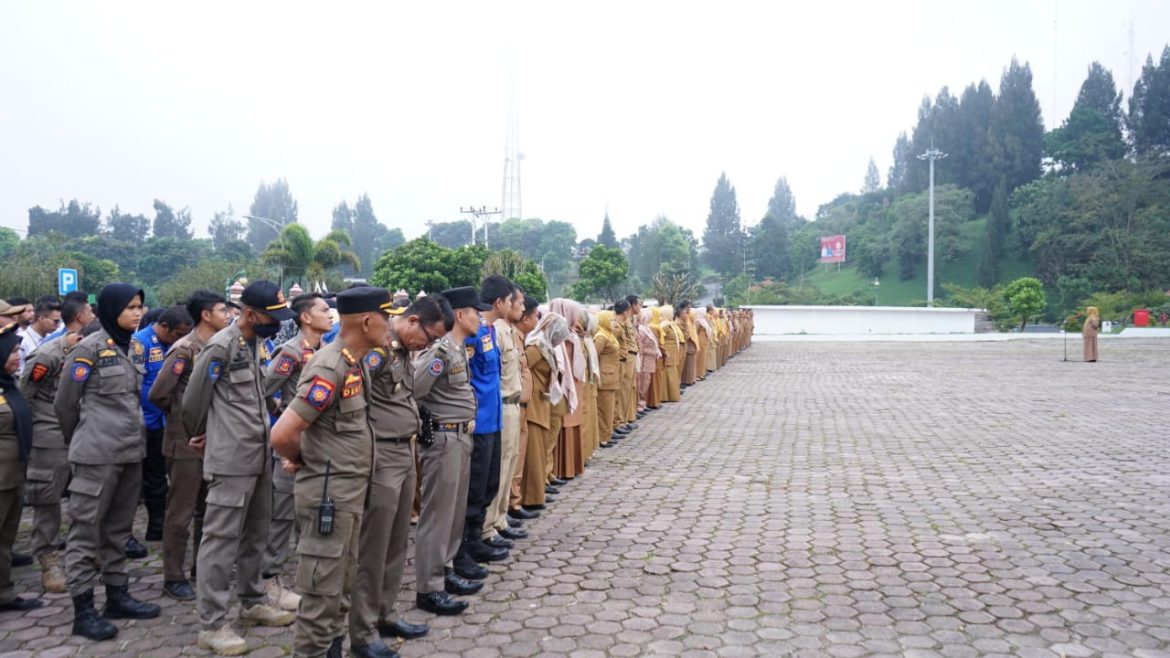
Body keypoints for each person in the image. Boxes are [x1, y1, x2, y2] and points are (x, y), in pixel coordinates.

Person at [270, 286, 394, 658]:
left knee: (340, 585)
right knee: (322, 593)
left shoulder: (353, 360)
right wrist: (303, 458)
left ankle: (332, 649)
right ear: (368, 321)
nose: (391, 326)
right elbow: (282, 434)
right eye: (386, 318)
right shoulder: (329, 366)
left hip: (347, 493)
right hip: (329, 495)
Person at [183, 281, 296, 655]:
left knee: (256, 533)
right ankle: (212, 623)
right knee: (220, 541)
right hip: (231, 458)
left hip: (258, 452)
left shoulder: (254, 343)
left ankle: (252, 600)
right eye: (271, 316)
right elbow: (194, 400)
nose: (276, 323)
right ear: (249, 313)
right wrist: (201, 434)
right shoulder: (222, 346)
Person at [54, 283, 158, 641]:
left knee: (118, 530)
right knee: (85, 532)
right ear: (112, 309)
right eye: (130, 307)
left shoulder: (134, 347)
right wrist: (81, 441)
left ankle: (117, 596)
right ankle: (83, 610)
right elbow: (64, 405)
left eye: (140, 306)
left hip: (130, 451)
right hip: (97, 455)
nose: (137, 313)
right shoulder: (88, 349)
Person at [349, 294, 450, 657]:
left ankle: (385, 613)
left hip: (404, 452)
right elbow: (355, 404)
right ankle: (362, 632)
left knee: (396, 542)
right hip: (381, 455)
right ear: (412, 321)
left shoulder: (404, 352)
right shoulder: (377, 352)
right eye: (430, 337)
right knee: (373, 547)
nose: (429, 345)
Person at [149, 290, 228, 603]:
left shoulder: (219, 345)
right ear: (206, 315)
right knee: (180, 512)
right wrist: (183, 416)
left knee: (207, 510)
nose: (228, 316)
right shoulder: (185, 349)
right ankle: (173, 576)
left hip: (212, 440)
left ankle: (201, 567)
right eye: (222, 311)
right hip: (184, 443)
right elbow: (159, 393)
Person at [412, 286, 487, 617]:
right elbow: (413, 392)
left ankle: (445, 570)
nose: (480, 318)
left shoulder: (457, 350)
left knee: (453, 513)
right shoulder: (440, 353)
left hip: (460, 438)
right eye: (476, 312)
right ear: (460, 314)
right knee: (437, 516)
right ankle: (429, 588)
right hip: (442, 440)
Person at [261, 292, 332, 612]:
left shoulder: (326, 350)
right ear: (305, 317)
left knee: (313, 512)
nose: (330, 314)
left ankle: (310, 576)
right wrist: (278, 411)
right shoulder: (290, 352)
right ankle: (269, 580)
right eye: (323, 309)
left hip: (320, 443)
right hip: (292, 444)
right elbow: (262, 387)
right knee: (282, 514)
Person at [18, 297, 93, 594]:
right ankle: (48, 560)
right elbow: (25, 398)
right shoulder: (47, 356)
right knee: (47, 500)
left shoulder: (93, 351)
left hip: (81, 431)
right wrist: (29, 437)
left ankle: (85, 552)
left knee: (85, 497)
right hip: (49, 435)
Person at [455, 276, 512, 581]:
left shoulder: (489, 331)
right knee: (474, 488)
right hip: (478, 423)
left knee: (489, 483)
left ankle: (478, 538)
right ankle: (465, 546)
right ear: (499, 302)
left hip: (494, 419)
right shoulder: (473, 336)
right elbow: (464, 380)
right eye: (510, 300)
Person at [132, 305, 193, 545]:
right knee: (142, 479)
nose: (180, 339)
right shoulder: (140, 343)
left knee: (160, 477)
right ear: (164, 327)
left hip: (166, 420)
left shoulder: (176, 345)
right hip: (144, 421)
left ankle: (158, 526)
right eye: (178, 334)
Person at [0, 323, 43, 612]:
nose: (19, 356)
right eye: (13, 352)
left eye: (18, 350)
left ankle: (4, 592)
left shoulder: (9, 383)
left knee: (6, 537)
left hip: (14, 475)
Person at [482, 284, 527, 546]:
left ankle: (500, 519)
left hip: (513, 405)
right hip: (502, 405)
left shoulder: (508, 330)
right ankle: (488, 527)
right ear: (501, 303)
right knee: (498, 470)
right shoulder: (496, 331)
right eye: (516, 302)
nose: (520, 307)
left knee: (509, 465)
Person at [521, 312, 570, 509]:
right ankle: (529, 498)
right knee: (533, 454)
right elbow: (521, 368)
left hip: (542, 403)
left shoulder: (545, 346)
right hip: (533, 404)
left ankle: (536, 493)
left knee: (540, 452)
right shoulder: (536, 347)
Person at [507, 296, 540, 522]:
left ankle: (514, 502)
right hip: (513, 405)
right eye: (536, 316)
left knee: (517, 457)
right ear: (526, 318)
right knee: (511, 459)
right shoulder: (511, 337)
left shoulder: (519, 338)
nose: (538, 320)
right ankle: (510, 505)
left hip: (522, 406)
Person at [593, 310, 622, 449]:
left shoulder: (608, 334)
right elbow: (594, 357)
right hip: (605, 378)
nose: (614, 323)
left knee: (609, 410)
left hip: (611, 376)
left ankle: (607, 435)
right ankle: (603, 438)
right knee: (604, 410)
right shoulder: (601, 337)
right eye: (611, 320)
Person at [18, 297, 61, 374]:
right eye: (55, 321)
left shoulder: (53, 338)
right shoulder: (22, 340)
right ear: (41, 318)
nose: (58, 326)